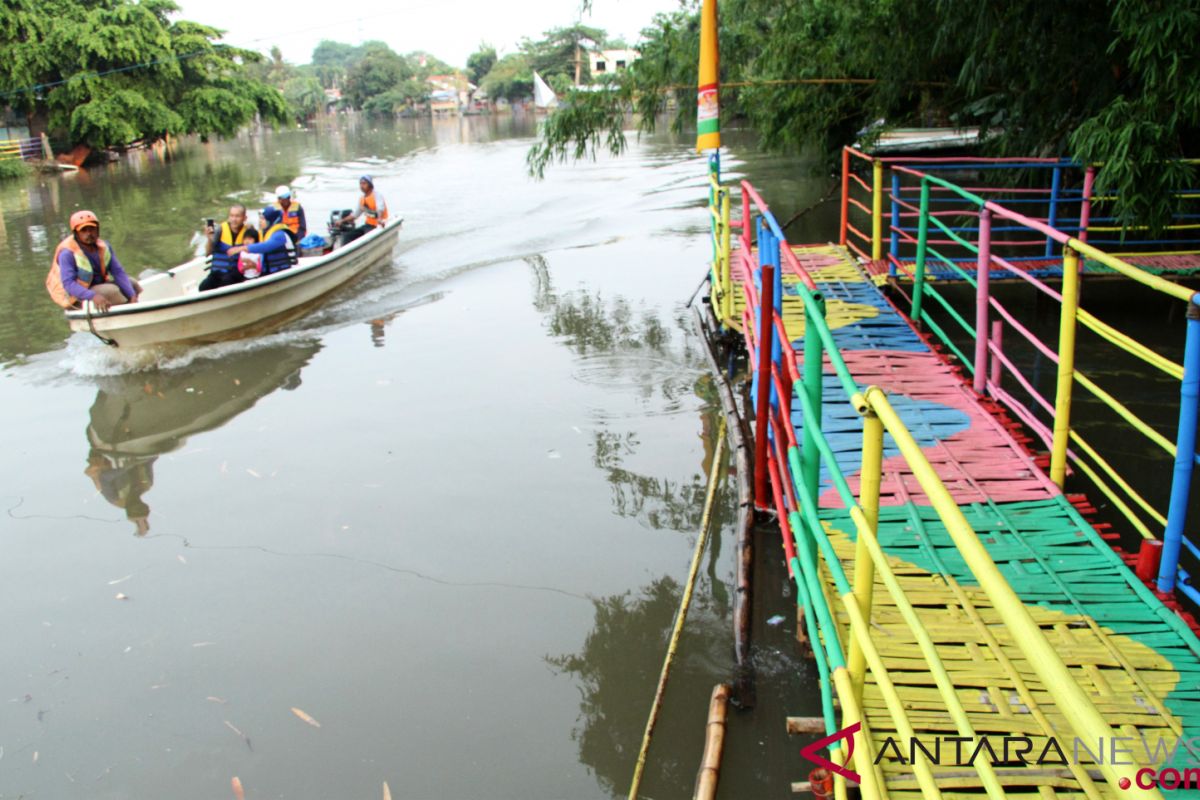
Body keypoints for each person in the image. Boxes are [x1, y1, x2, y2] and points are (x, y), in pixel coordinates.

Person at [45, 210, 141, 311]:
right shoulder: (67, 253)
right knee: (112, 291)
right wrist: (93, 296)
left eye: (92, 229)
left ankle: (131, 307)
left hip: (95, 286)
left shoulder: (104, 247)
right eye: (84, 230)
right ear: (76, 233)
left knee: (132, 283)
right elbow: (68, 284)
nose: (89, 233)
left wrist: (132, 295)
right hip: (75, 296)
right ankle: (125, 312)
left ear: (98, 230)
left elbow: (118, 272)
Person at [229, 207, 297, 276]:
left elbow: (266, 246)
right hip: (269, 271)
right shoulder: (264, 234)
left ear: (271, 220)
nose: (260, 221)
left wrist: (243, 248)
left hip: (285, 269)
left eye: (263, 219)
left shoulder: (280, 234)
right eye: (260, 218)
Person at [200, 204, 251, 292]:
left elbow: (255, 252)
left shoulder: (248, 231)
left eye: (237, 216)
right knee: (203, 286)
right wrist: (209, 238)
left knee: (226, 282)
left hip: (235, 273)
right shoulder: (220, 230)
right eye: (231, 216)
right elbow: (208, 253)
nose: (234, 219)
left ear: (244, 218)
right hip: (217, 272)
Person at [340, 175, 388, 244]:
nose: (362, 186)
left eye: (364, 183)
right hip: (368, 225)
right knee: (347, 236)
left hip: (379, 225)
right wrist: (342, 221)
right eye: (360, 184)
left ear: (370, 185)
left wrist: (379, 218)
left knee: (367, 237)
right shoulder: (362, 199)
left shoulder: (377, 195)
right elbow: (355, 215)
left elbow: (380, 208)